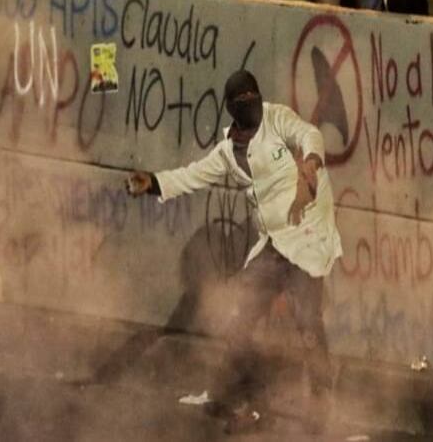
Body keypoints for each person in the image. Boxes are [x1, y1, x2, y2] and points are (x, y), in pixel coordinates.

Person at [126, 70, 342, 435]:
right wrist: (154, 183)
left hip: (307, 236)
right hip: (275, 245)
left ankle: (322, 407)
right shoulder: (228, 151)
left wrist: (309, 165)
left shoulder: (277, 118)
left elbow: (310, 134)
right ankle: (249, 401)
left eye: (254, 97)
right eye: (242, 101)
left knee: (308, 325)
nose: (252, 105)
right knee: (236, 314)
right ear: (231, 109)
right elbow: (192, 175)